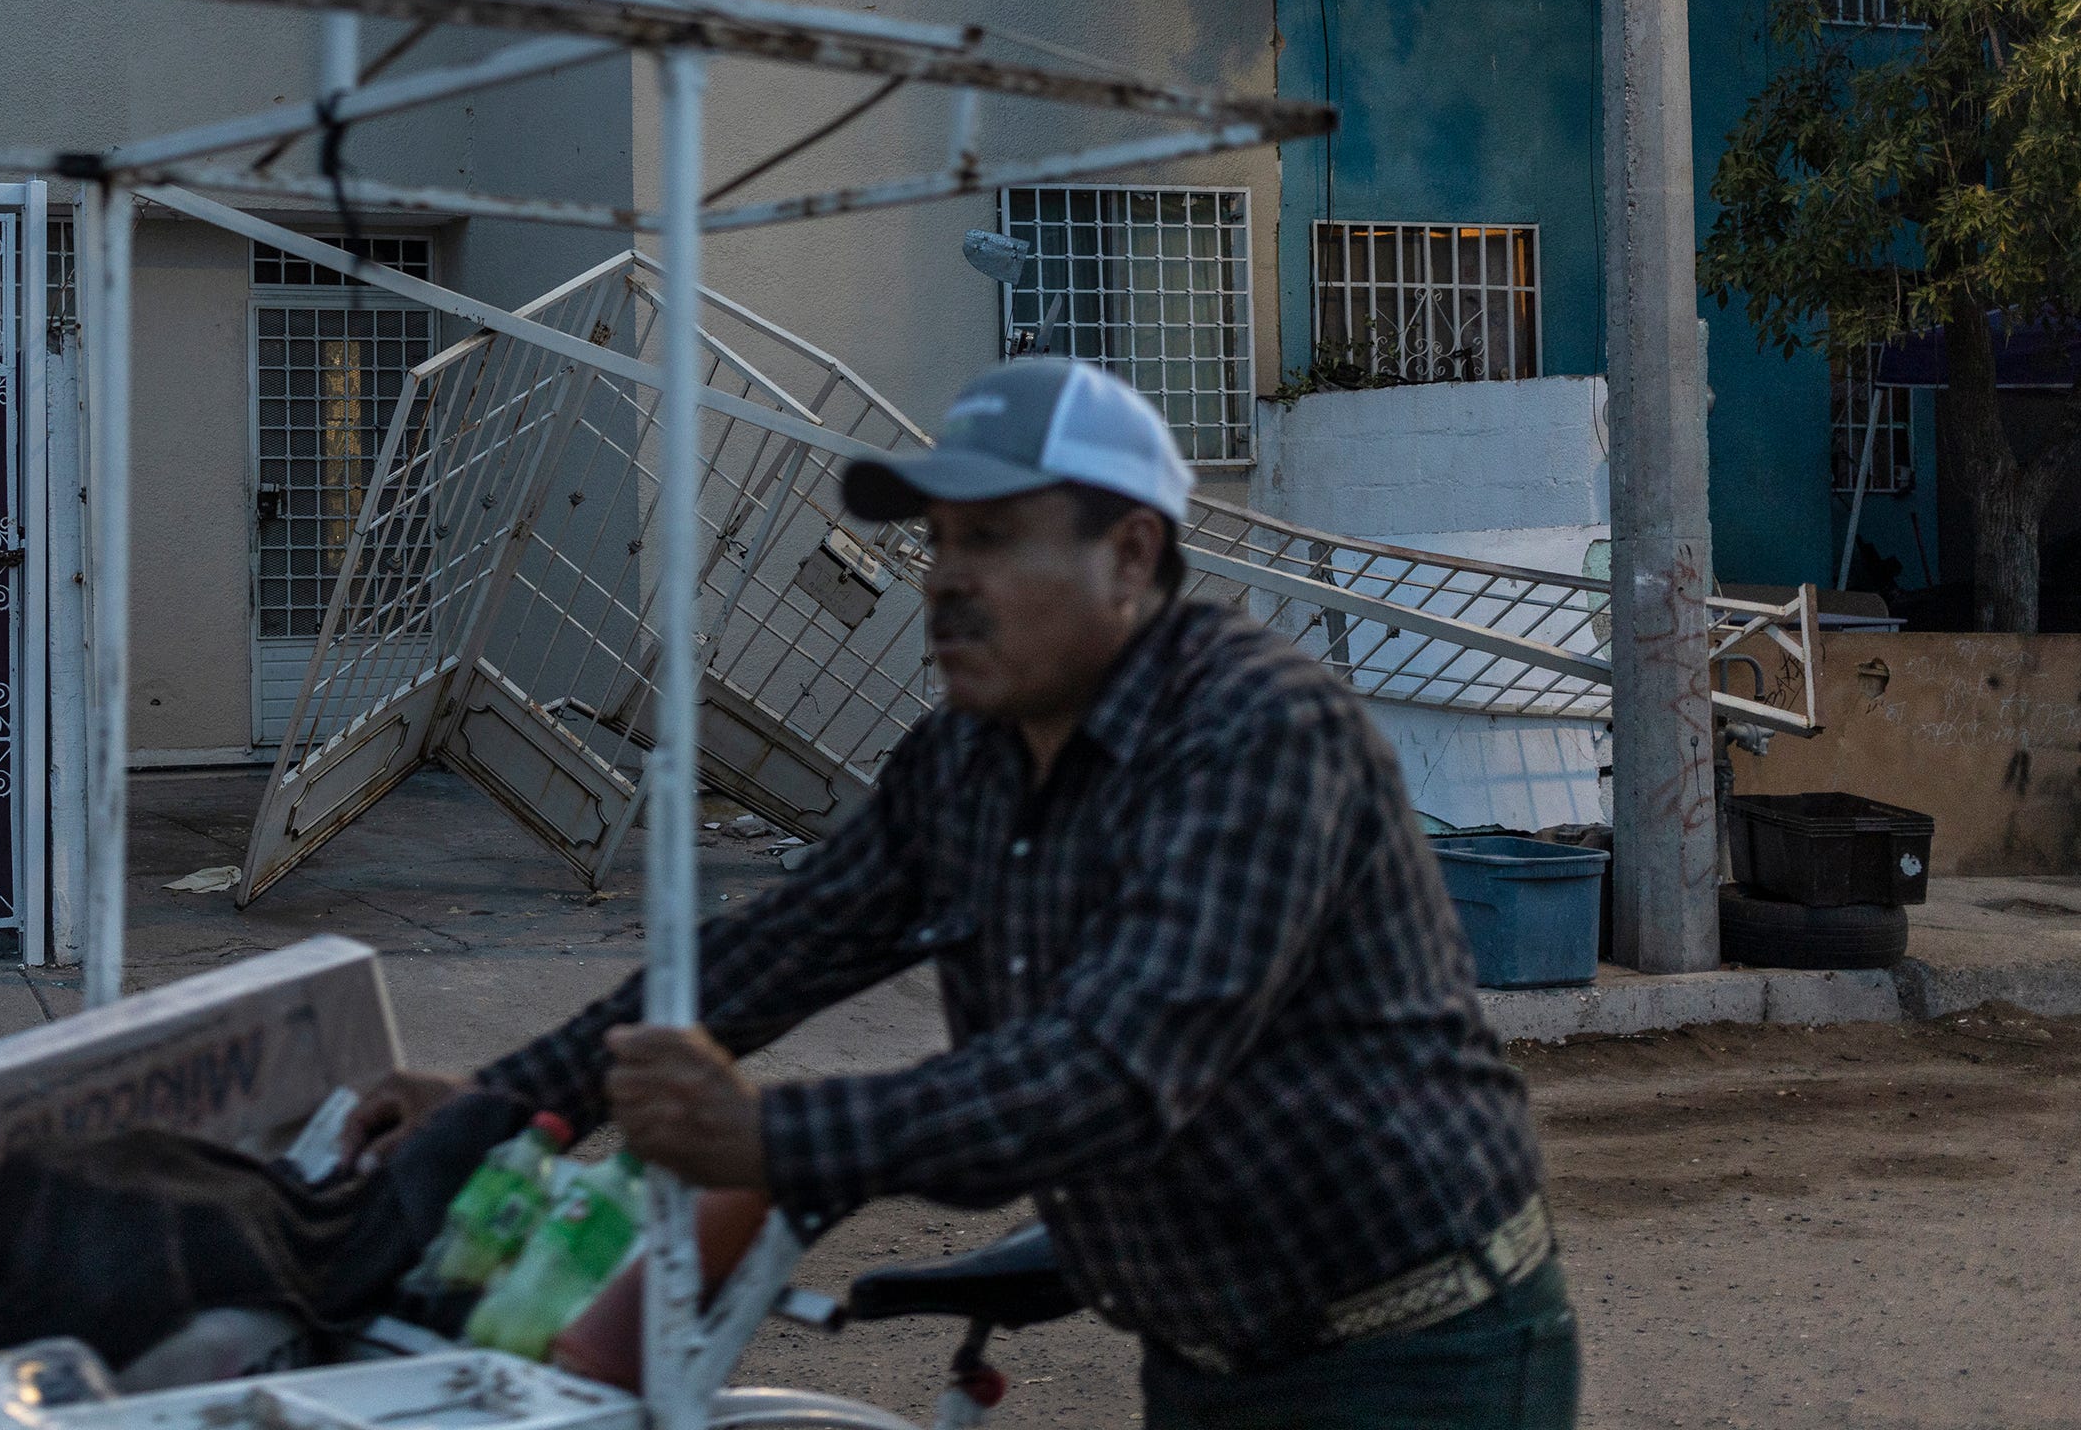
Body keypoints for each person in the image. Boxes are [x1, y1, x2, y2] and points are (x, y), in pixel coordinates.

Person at [345, 358, 1579, 1428]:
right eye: (935, 540)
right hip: (1207, 1351)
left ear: (1131, 554)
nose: (941, 577)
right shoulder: (969, 759)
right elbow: (772, 953)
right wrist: (508, 1101)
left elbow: (1110, 1070)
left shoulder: (1260, 732)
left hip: (1416, 1354)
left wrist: (775, 1138)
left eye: (989, 537)